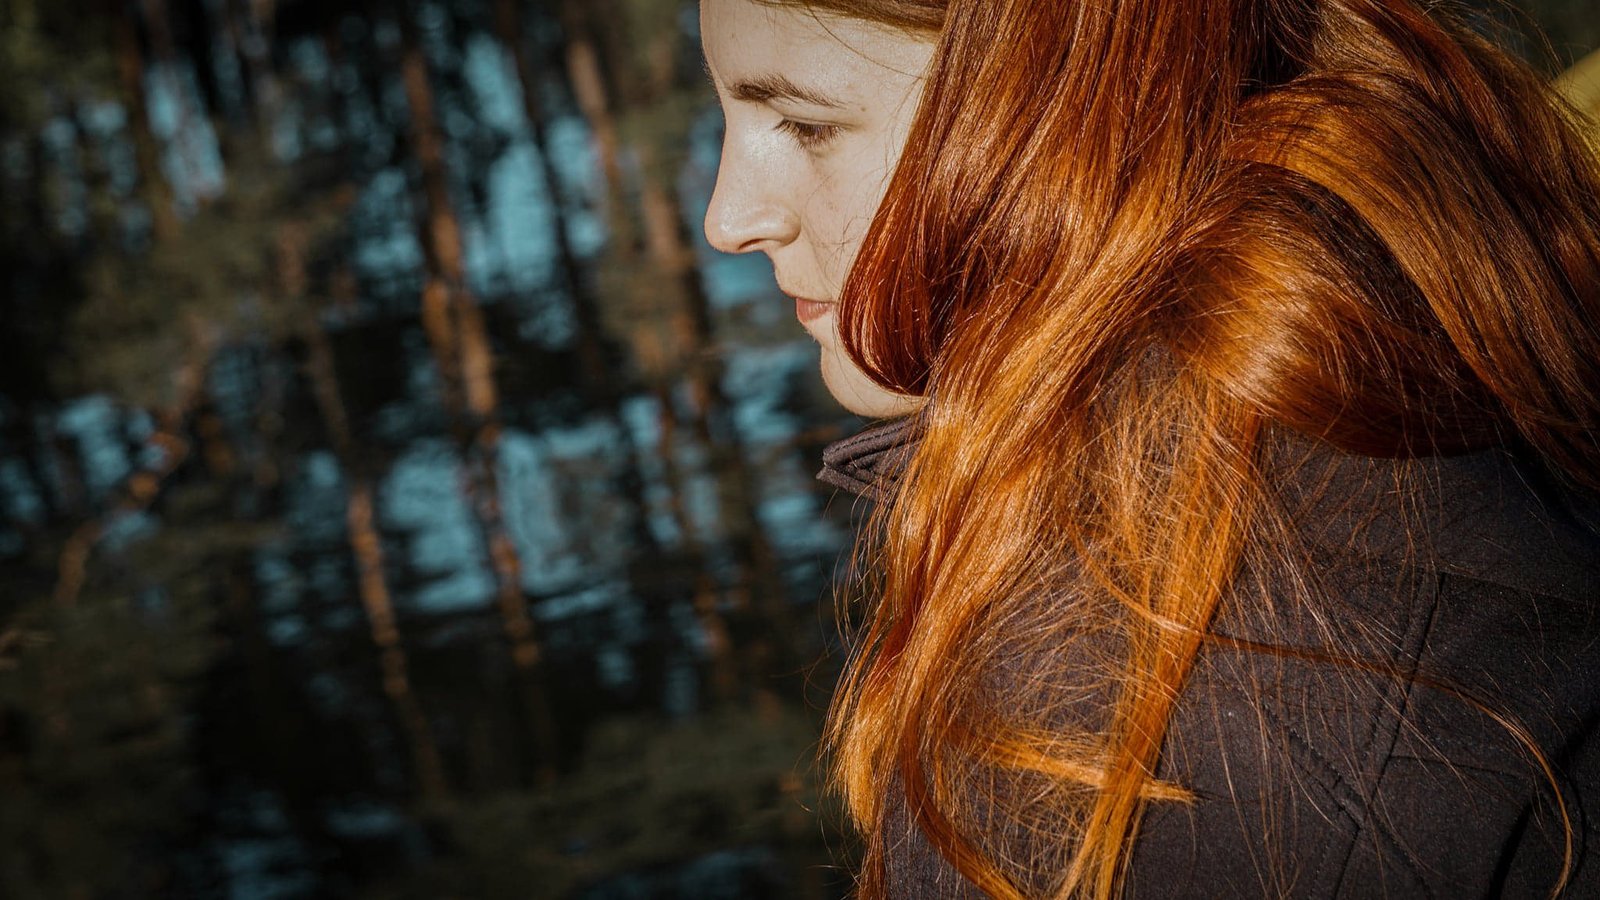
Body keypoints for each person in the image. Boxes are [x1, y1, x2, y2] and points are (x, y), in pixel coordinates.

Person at [699, 0, 1600, 897]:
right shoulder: (1453, 278)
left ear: (1065, 82)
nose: (727, 218)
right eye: (727, 118)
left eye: (804, 123)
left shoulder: (1085, 747)